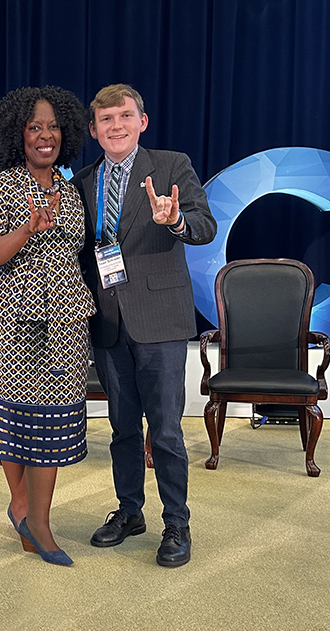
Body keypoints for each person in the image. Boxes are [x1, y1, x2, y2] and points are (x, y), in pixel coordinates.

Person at [72, 84, 217, 567]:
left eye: (125, 116)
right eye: (106, 119)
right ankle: (130, 511)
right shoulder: (82, 180)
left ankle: (176, 522)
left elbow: (204, 225)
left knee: (167, 431)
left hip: (160, 320)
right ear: (94, 130)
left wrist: (176, 220)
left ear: (142, 121)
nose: (116, 126)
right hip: (108, 324)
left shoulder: (172, 165)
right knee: (121, 428)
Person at [0, 86, 96, 567]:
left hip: (65, 323)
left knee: (54, 425)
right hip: (11, 324)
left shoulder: (75, 189)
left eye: (53, 127)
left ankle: (34, 517)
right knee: (16, 422)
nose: (46, 136)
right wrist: (24, 230)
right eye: (34, 127)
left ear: (67, 132)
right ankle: (26, 511)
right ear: (17, 134)